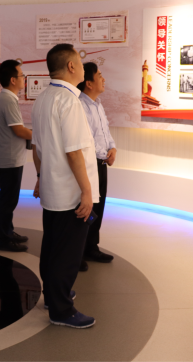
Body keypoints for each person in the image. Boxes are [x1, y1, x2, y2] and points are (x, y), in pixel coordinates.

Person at [31, 43, 99, 328]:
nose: (83, 68)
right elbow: (74, 152)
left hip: (52, 188)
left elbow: (37, 148)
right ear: (71, 66)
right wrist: (87, 191)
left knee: (52, 247)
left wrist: (39, 177)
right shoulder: (70, 101)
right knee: (67, 254)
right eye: (80, 63)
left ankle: (52, 295)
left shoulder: (43, 98)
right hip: (70, 192)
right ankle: (61, 310)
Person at [77, 62, 117, 272]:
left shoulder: (98, 104)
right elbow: (86, 140)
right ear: (89, 83)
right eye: (99, 75)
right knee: (86, 209)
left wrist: (112, 148)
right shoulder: (80, 106)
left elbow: (105, 132)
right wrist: (102, 154)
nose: (104, 79)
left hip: (102, 164)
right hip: (89, 165)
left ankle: (91, 247)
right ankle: (78, 251)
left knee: (98, 208)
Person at [0, 60, 32, 252]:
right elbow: (19, 130)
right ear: (13, 80)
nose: (24, 78)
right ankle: (5, 239)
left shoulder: (7, 98)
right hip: (9, 160)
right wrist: (40, 135)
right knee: (8, 201)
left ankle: (9, 231)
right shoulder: (8, 100)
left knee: (9, 199)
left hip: (10, 158)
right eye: (21, 75)